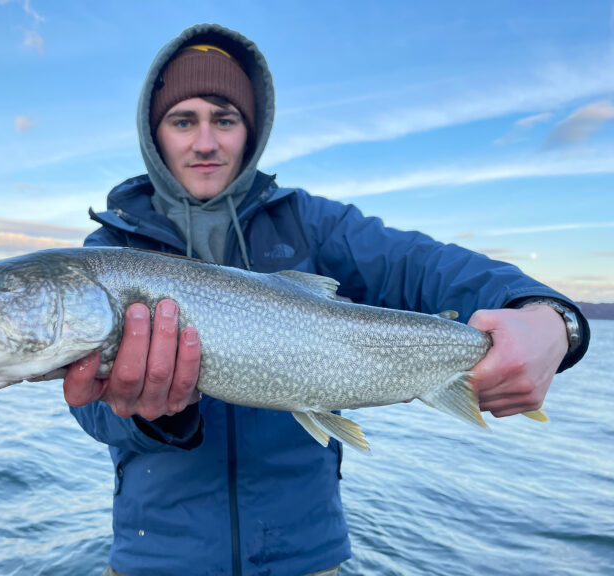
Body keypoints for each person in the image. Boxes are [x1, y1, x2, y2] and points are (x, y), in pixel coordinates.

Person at [63, 23, 590, 576]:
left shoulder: (312, 223)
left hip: (306, 556)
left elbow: (427, 265)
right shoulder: (112, 252)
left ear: (251, 128)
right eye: (182, 120)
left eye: (224, 118)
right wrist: (148, 417)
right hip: (155, 557)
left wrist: (551, 317)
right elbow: (95, 416)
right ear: (155, 132)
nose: (204, 142)